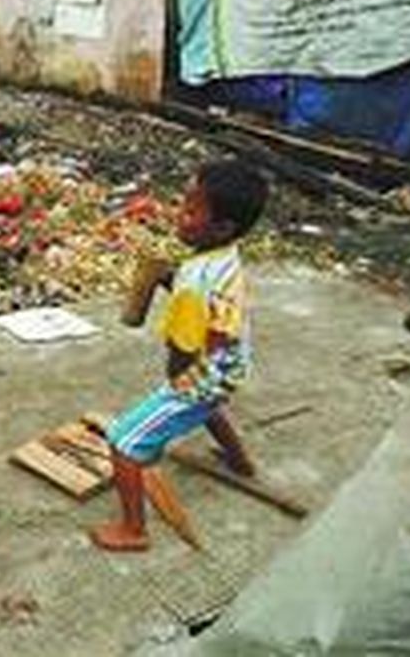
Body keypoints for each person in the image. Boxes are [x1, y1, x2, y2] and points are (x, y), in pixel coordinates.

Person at [91, 160, 269, 553]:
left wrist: (177, 382)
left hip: (201, 374)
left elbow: (183, 348)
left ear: (222, 227)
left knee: (124, 442)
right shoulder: (223, 257)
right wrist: (167, 278)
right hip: (230, 365)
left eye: (190, 212)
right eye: (182, 204)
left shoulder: (193, 283)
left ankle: (133, 529)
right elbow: (207, 303)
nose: (178, 215)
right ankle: (240, 463)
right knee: (211, 405)